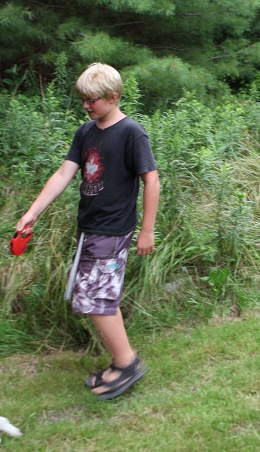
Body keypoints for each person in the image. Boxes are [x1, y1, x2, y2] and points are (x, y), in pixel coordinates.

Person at [16, 63, 160, 400]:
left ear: (112, 97)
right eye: (82, 99)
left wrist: (147, 230)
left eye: (91, 100)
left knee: (95, 299)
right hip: (90, 229)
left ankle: (127, 362)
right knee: (96, 296)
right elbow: (64, 173)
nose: (85, 105)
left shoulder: (131, 132)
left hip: (112, 230)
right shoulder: (86, 132)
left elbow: (151, 179)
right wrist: (32, 213)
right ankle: (122, 360)